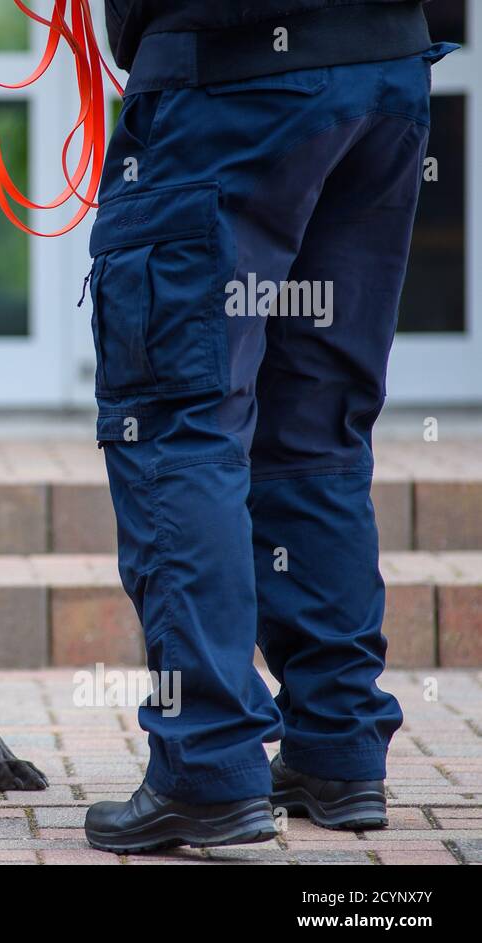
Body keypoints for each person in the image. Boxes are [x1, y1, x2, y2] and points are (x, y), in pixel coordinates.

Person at [81, 0, 456, 853]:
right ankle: (336, 747)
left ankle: (206, 765)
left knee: (178, 421)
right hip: (382, 67)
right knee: (316, 422)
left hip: (231, 75)